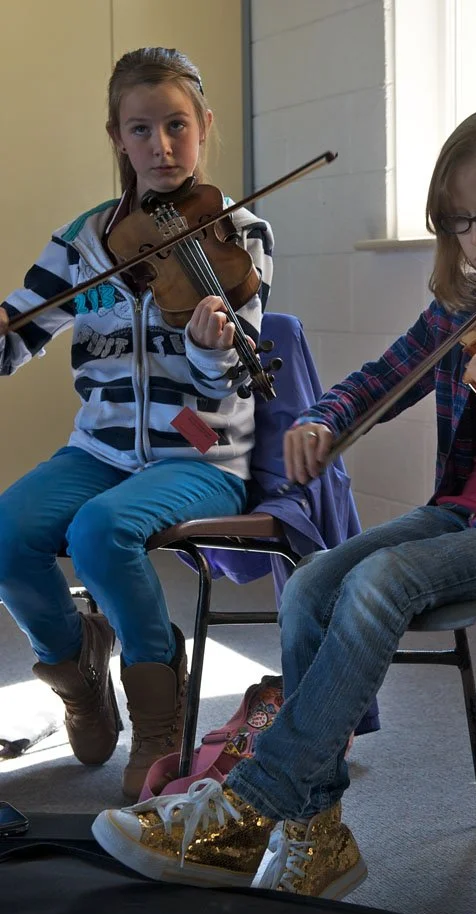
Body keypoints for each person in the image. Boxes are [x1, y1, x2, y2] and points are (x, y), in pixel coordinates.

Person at [92, 101, 476, 899]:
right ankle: (318, 833)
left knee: (380, 582)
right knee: (312, 579)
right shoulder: (466, 304)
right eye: (457, 222)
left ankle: (252, 802)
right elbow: (384, 376)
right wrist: (321, 417)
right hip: (466, 514)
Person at [0, 47, 273, 800]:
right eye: (141, 129)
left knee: (98, 530)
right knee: (6, 531)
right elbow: (21, 330)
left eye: (177, 126)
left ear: (205, 128)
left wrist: (208, 344)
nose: (161, 146)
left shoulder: (236, 236)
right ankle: (77, 670)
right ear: (116, 137)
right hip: (100, 449)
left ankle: (158, 705)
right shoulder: (84, 244)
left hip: (202, 455)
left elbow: (229, 382)